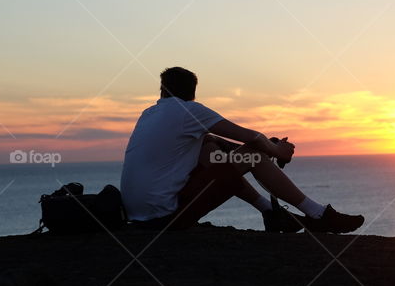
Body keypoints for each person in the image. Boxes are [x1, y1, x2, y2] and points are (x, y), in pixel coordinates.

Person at [120, 66, 364, 234]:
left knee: (211, 146)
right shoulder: (188, 111)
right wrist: (278, 151)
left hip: (140, 214)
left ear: (162, 90)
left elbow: (214, 140)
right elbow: (252, 137)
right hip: (166, 219)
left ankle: (270, 212)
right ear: (193, 93)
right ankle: (318, 215)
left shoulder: (150, 114)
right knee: (253, 154)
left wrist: (259, 148)